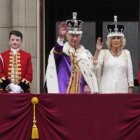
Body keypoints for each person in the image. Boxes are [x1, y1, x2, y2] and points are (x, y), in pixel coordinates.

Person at [45, 12, 98, 94]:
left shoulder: (86, 54)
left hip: (81, 93)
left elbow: (89, 73)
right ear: (67, 36)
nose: (75, 39)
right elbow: (57, 52)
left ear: (80, 36)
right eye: (72, 35)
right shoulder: (63, 51)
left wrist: (87, 84)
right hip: (63, 91)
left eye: (77, 36)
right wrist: (61, 37)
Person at [93, 15, 134, 93]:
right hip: (106, 89)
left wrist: (130, 88)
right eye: (113, 38)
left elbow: (130, 73)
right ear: (110, 40)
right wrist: (97, 51)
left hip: (122, 89)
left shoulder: (126, 53)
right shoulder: (103, 53)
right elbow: (96, 68)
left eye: (118, 38)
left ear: (121, 40)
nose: (116, 40)